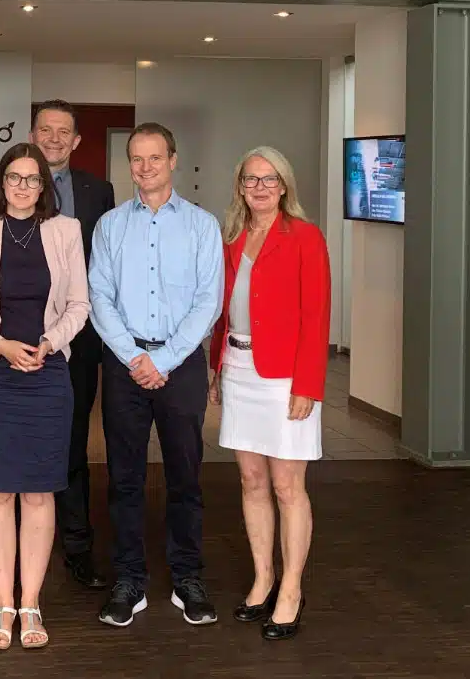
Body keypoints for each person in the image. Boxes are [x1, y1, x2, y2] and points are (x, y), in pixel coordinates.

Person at [0, 143, 91, 650]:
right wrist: (1, 345)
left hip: (49, 373)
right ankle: (2, 604)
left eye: (33, 179)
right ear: (1, 181)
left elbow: (80, 304)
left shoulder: (65, 230)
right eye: (15, 177)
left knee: (37, 491)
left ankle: (30, 604)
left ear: (44, 185)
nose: (23, 186)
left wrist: (50, 343)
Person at [88, 122, 224, 629]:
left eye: (155, 158)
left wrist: (162, 360)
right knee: (122, 478)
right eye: (136, 160)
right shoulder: (109, 226)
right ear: (130, 166)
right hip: (125, 364)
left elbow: (207, 301)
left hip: (181, 364)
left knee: (185, 478)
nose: (145, 168)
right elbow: (98, 296)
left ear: (172, 160)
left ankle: (188, 578)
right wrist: (132, 356)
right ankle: (129, 581)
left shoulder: (201, 225)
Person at [208, 146, 331, 641]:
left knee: (287, 487)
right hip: (239, 368)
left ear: (284, 186)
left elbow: (316, 316)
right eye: (250, 179)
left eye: (269, 179)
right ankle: (263, 578)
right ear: (240, 186)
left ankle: (292, 588)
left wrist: (308, 386)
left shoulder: (305, 237)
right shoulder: (232, 237)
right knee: (251, 481)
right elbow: (222, 308)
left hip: (284, 378)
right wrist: (216, 367)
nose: (259, 187)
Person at [28, 100, 115, 590]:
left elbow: (104, 266)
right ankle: (23, 537)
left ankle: (77, 545)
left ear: (77, 141)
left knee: (73, 441)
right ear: (33, 133)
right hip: (16, 340)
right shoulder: (8, 185)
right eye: (46, 129)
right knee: (26, 439)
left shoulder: (97, 191)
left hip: (78, 342)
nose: (55, 139)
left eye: (64, 132)